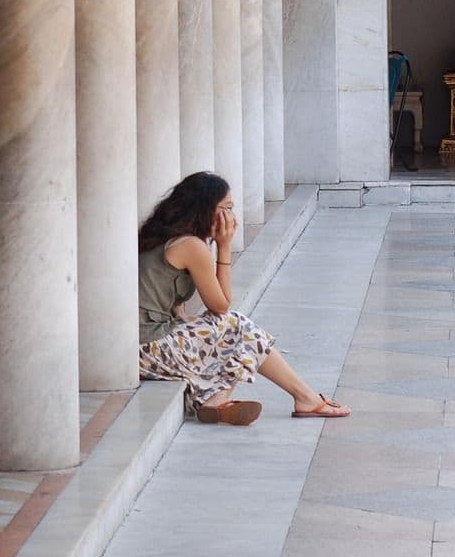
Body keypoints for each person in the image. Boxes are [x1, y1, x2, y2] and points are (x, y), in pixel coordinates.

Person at [138, 172, 350, 425]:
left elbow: (173, 306)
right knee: (237, 326)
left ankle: (216, 400)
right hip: (148, 346)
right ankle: (302, 397)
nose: (232, 217)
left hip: (141, 346)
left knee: (226, 334)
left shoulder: (162, 235)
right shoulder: (191, 247)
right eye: (226, 208)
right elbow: (221, 306)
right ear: (204, 208)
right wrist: (224, 246)